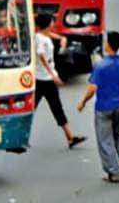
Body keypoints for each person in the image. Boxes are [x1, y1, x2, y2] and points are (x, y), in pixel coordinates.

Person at [77, 31, 119, 183]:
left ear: (108, 44)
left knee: (105, 139)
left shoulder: (101, 66)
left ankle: (113, 172)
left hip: (104, 107)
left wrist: (83, 101)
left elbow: (93, 88)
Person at [34, 13, 87, 149]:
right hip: (43, 78)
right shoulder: (41, 39)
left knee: (54, 107)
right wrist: (53, 74)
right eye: (51, 22)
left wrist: (61, 38)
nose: (53, 24)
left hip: (45, 78)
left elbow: (49, 35)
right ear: (47, 24)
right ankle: (70, 137)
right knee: (46, 107)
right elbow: (40, 55)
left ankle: (70, 137)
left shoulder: (42, 35)